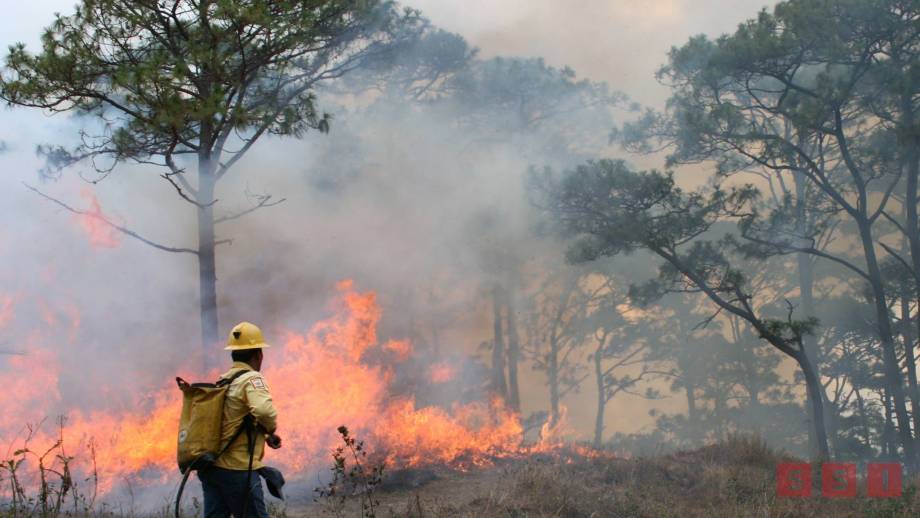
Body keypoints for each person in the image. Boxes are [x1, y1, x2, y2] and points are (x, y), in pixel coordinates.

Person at [198, 321, 282, 518]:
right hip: (237, 469)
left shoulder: (223, 380)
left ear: (233, 354)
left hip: (213, 469)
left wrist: (262, 432)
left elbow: (234, 420)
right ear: (258, 355)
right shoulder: (252, 378)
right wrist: (271, 429)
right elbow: (264, 411)